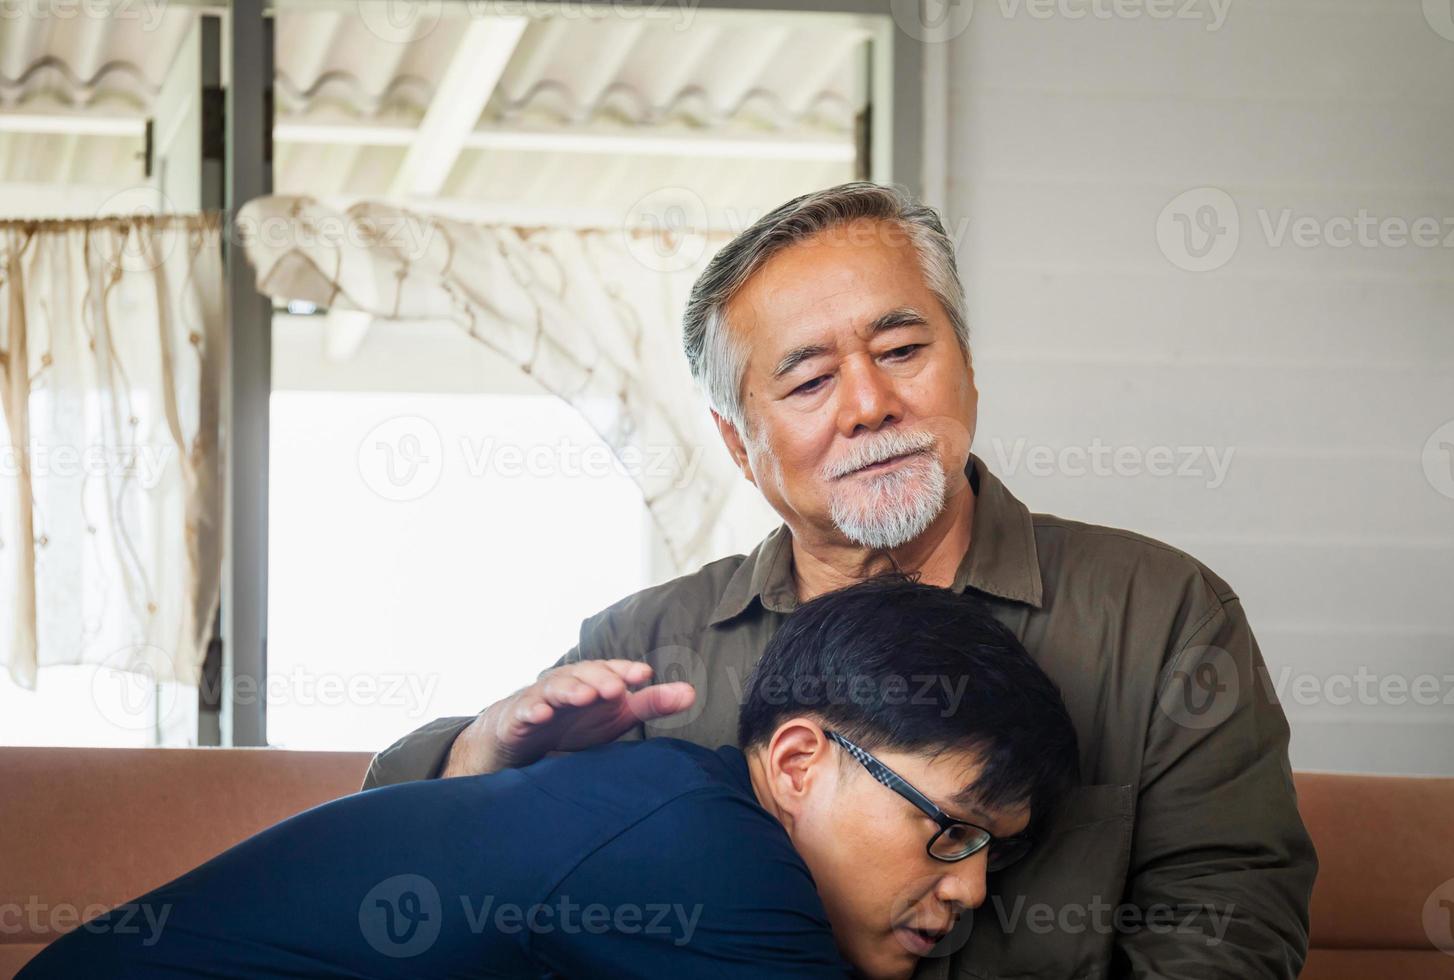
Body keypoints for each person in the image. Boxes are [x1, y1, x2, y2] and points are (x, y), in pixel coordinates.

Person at [367, 181, 1317, 979]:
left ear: (969, 366)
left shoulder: (1162, 615)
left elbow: (1230, 930)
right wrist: (481, 754)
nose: (869, 404)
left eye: (903, 351)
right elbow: (421, 861)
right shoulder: (646, 647)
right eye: (809, 380)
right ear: (740, 444)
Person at [18, 577, 1079, 980]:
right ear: (799, 760)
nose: (972, 889)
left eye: (996, 847)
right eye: (952, 829)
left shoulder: (679, 810)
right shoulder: (717, 865)